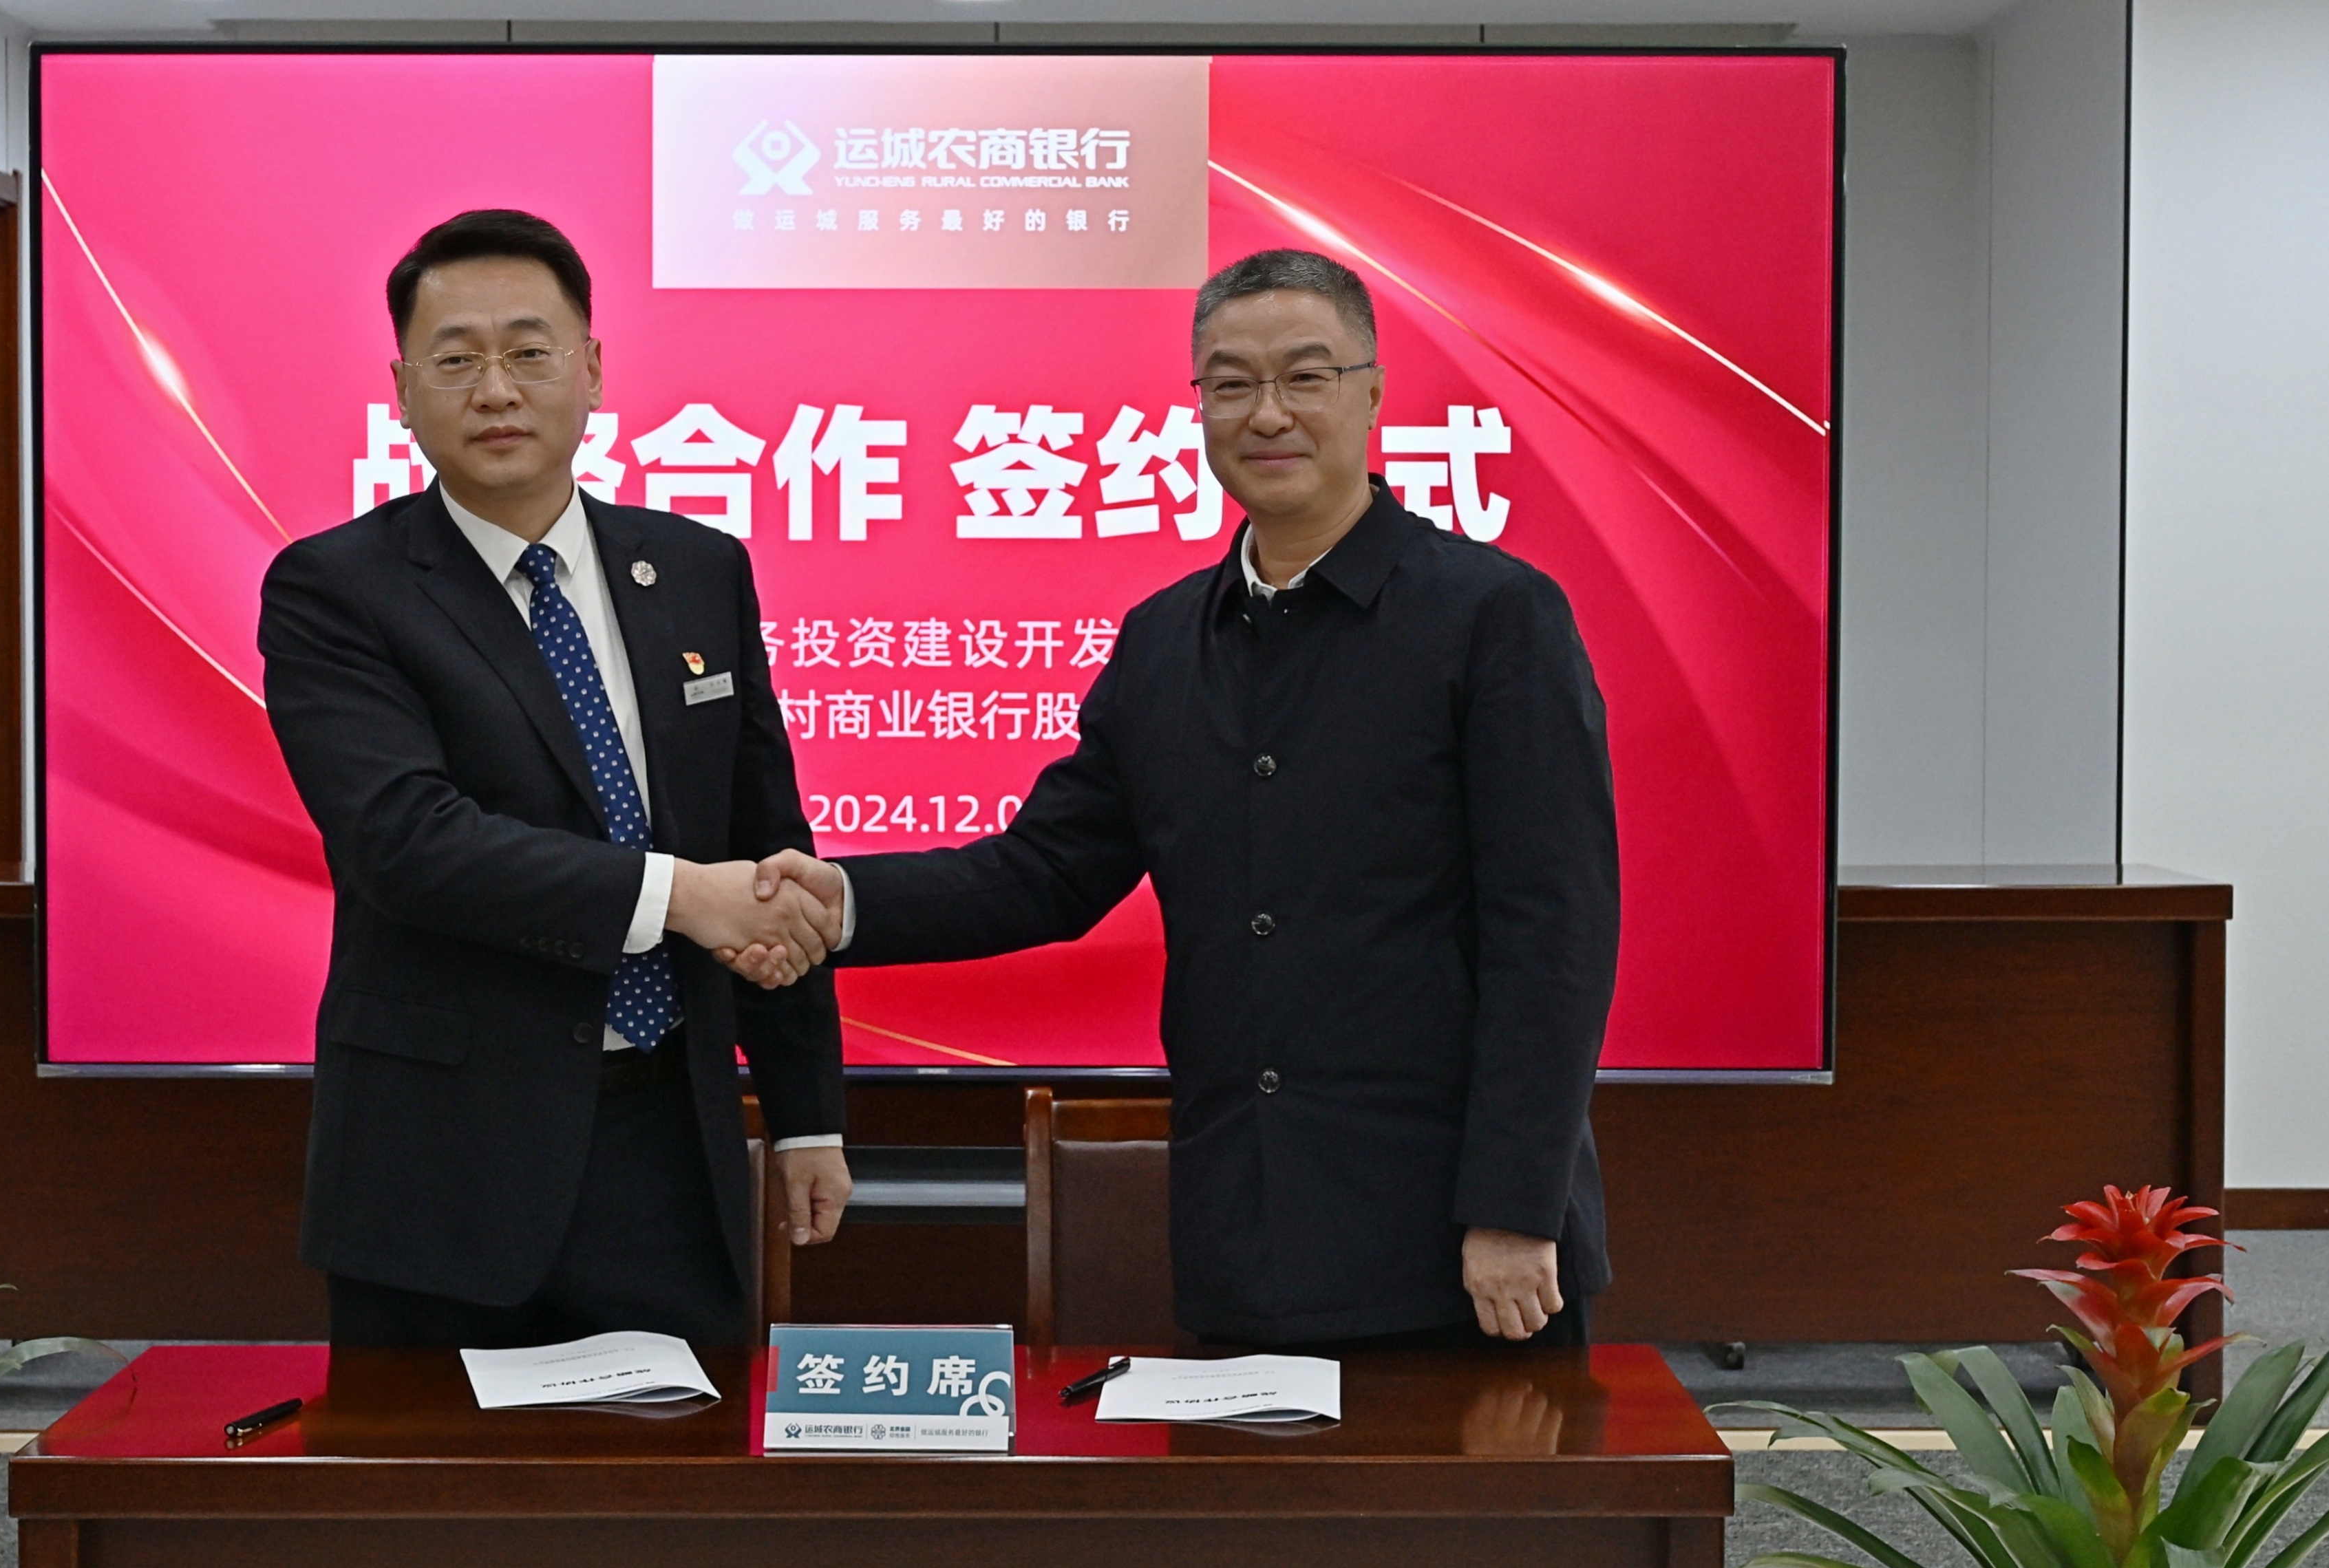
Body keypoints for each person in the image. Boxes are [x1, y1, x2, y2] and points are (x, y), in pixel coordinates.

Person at [742, 249, 1619, 1350]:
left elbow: (1554, 933)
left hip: (1459, 1246)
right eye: (1230, 383)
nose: (1268, 413)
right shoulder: (1163, 642)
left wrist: (1512, 1206)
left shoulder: (1492, 616)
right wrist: (836, 904)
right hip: (1241, 1233)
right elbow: (1044, 873)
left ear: (1371, 393)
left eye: (1305, 377)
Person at [259, 209, 850, 1349]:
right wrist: (680, 895)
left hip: (669, 1153)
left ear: (591, 370)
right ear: (402, 390)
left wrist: (805, 1116)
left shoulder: (697, 569)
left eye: (529, 351)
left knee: (679, 1459)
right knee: (429, 1471)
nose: (497, 389)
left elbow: (769, 847)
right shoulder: (337, 590)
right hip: (444, 1169)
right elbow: (407, 842)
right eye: (456, 359)